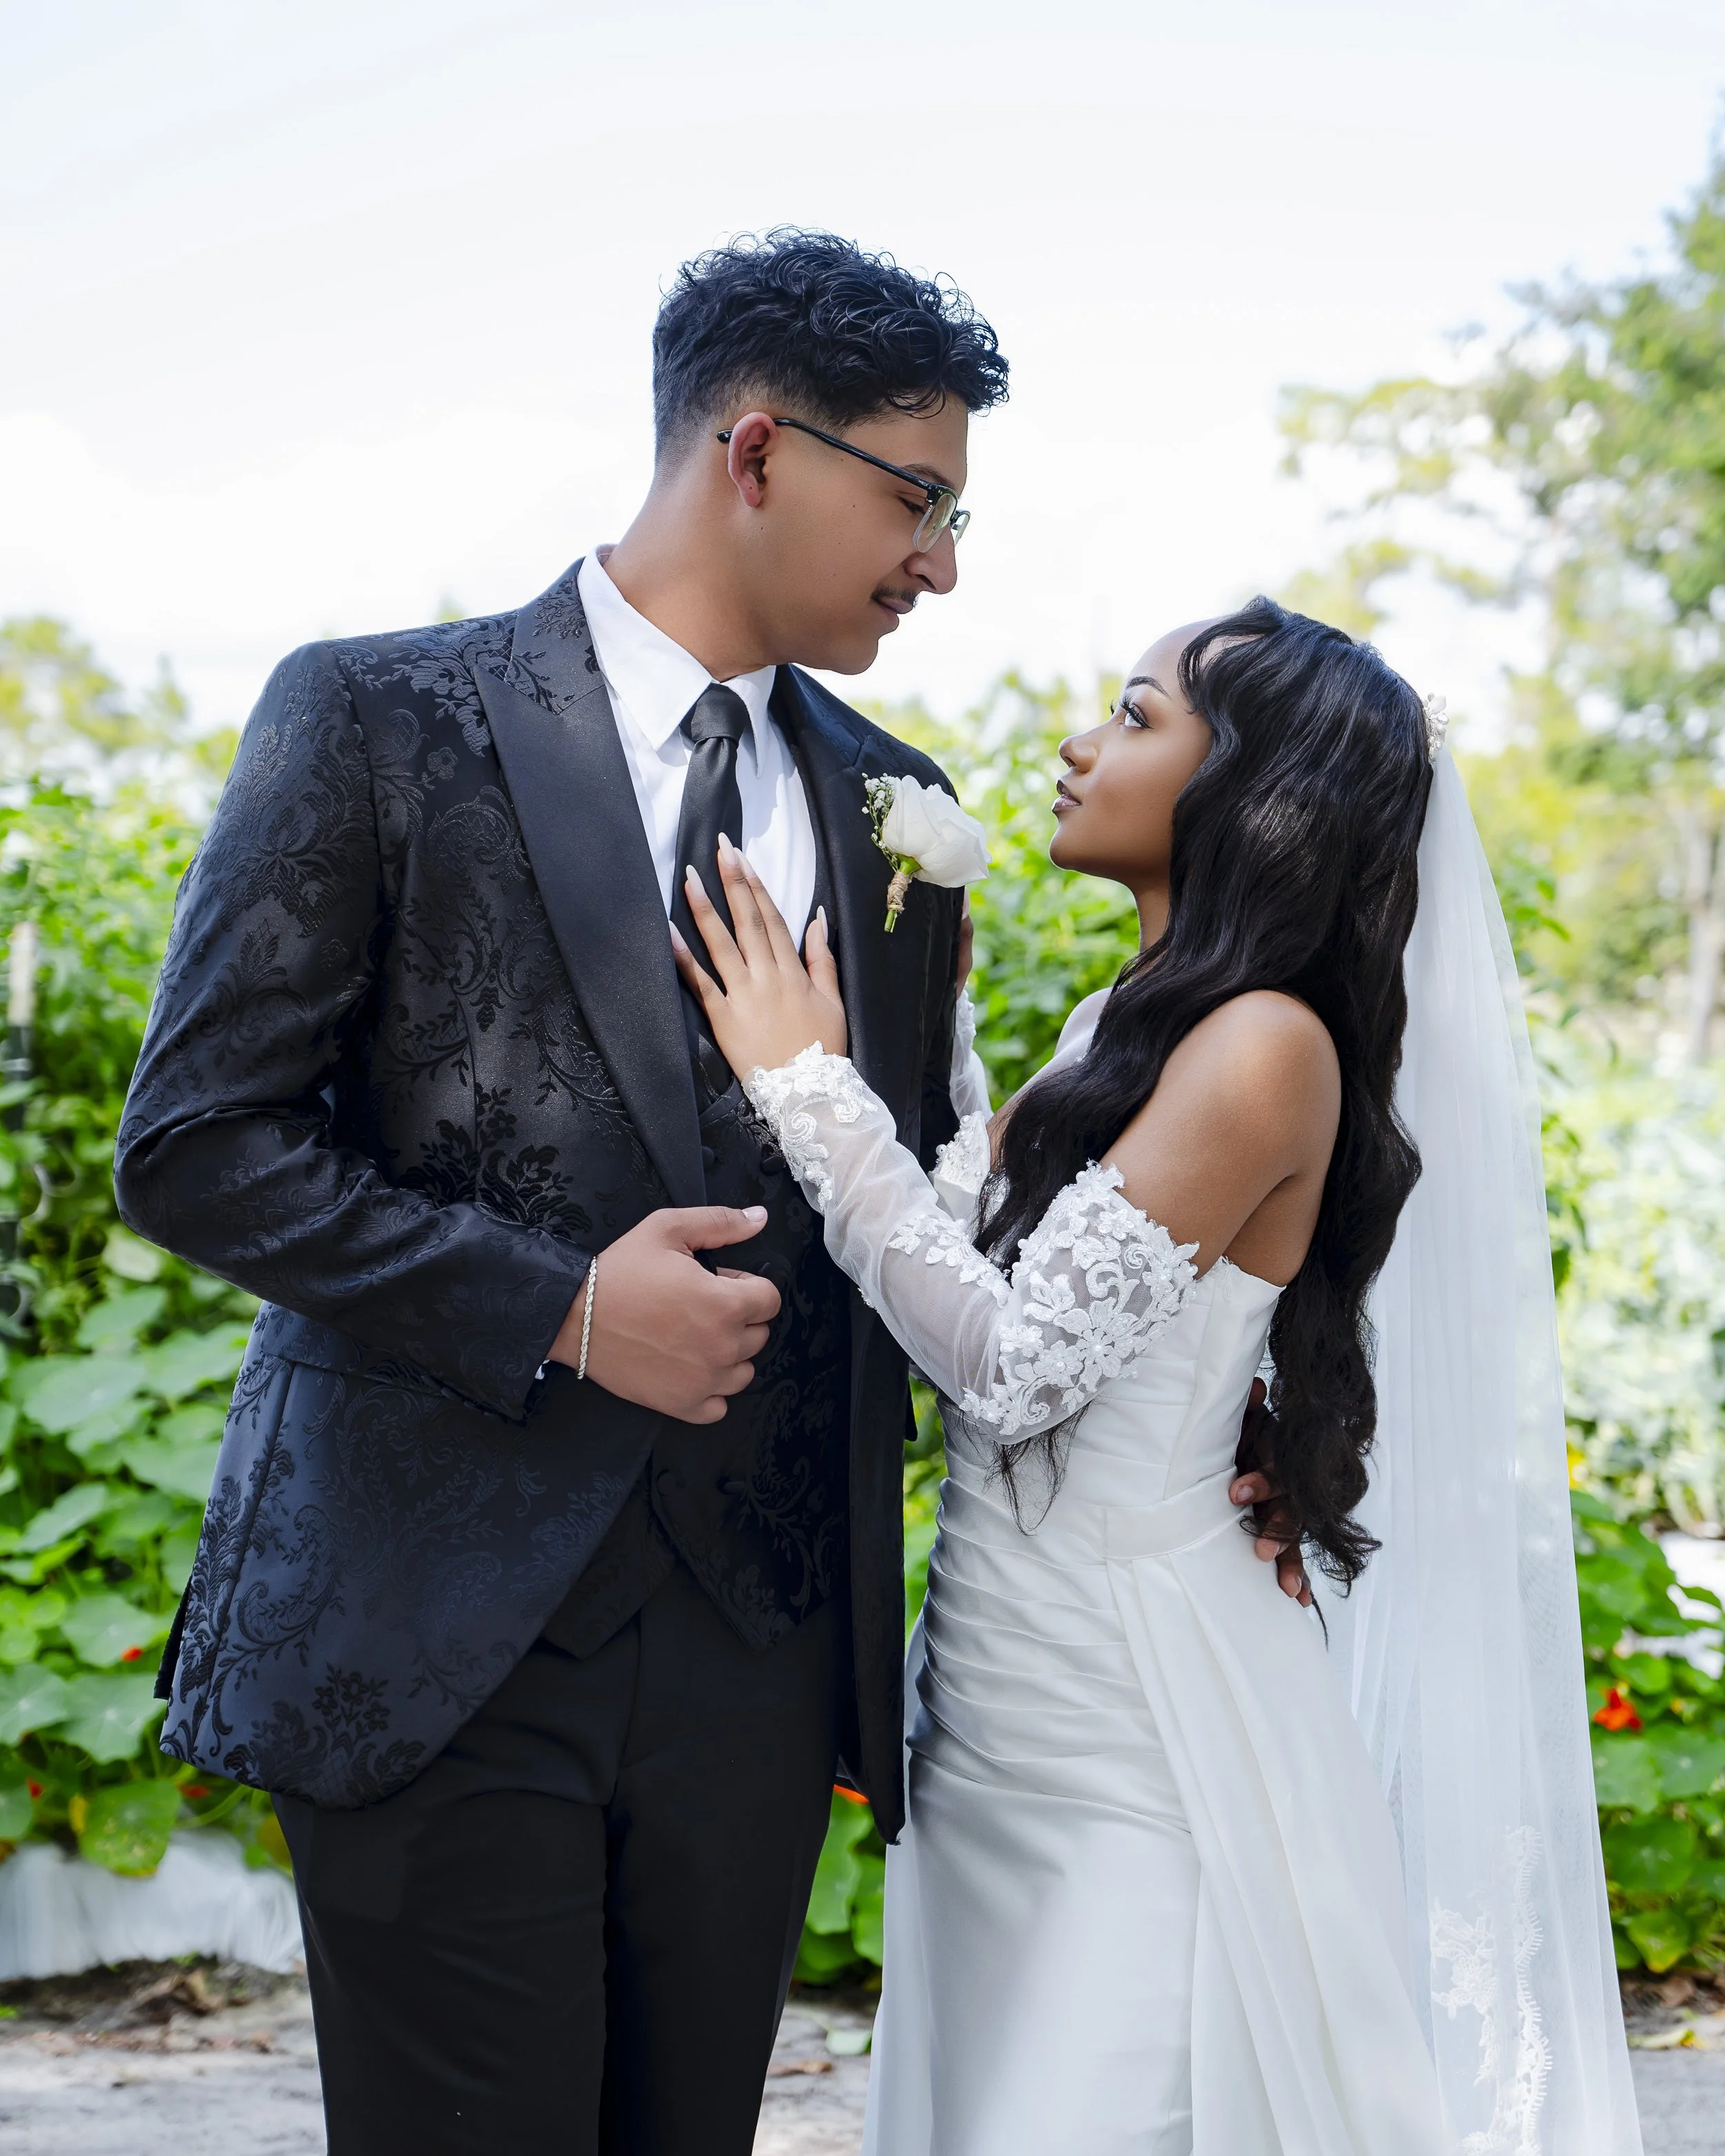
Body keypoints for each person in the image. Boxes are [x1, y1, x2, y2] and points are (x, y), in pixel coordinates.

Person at [114, 230, 1019, 2155]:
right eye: (916, 499)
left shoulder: (900, 806)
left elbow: (926, 1193)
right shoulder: (372, 713)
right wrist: (562, 1301)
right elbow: (196, 1141)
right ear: (754, 451)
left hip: (756, 1660)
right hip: (436, 1630)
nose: (940, 560)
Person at [673, 601, 1644, 2154]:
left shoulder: (1263, 1046)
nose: (1077, 742)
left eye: (1132, 715)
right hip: (1001, 1677)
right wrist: (923, 1038)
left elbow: (1009, 1361)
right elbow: (977, 1246)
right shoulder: (1130, 1022)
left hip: (1130, 1704)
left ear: (1254, 793)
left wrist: (801, 1080)